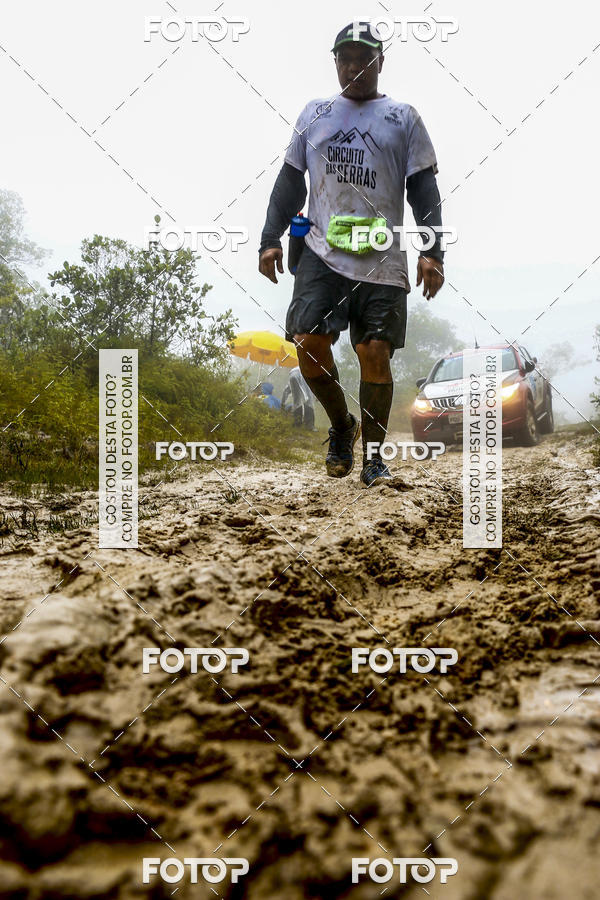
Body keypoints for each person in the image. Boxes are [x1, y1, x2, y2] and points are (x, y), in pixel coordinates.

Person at [258, 21, 445, 487]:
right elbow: (289, 181)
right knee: (307, 343)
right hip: (321, 251)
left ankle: (375, 460)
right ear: (335, 62)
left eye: (364, 58)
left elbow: (425, 190)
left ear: (381, 61)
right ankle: (343, 426)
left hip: (382, 258)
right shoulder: (315, 113)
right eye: (346, 58)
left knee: (375, 352)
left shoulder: (404, 118)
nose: (355, 67)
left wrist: (433, 251)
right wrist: (269, 238)